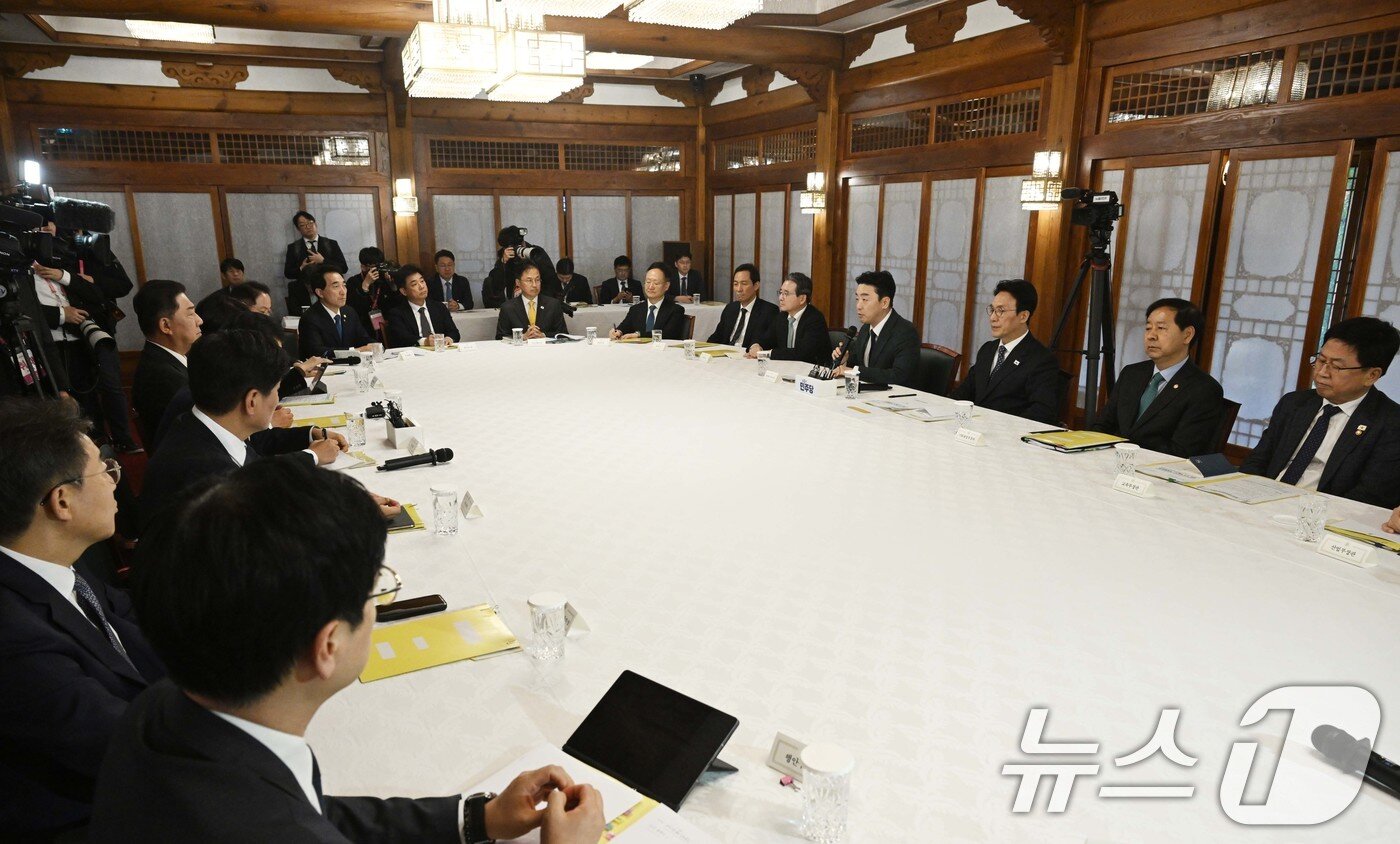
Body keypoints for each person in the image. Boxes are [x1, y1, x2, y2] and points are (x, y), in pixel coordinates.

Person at [91, 459, 605, 843]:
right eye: (372, 590)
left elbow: (312, 810)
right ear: (329, 645)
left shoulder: (165, 706)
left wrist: (476, 819)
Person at [0, 398, 165, 839]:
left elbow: (136, 622)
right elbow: (129, 747)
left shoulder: (55, 561)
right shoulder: (15, 640)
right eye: (104, 470)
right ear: (62, 501)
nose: (114, 481)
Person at [140, 330, 345, 533]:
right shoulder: (209, 478)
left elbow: (258, 471)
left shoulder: (201, 424)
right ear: (252, 401)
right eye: (276, 390)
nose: (277, 400)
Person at [1241, 316, 1400, 508]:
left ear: (1371, 375)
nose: (1322, 372)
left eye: (1337, 366)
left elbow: (1369, 497)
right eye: (1321, 360)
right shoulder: (1294, 403)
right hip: (1262, 502)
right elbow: (1257, 461)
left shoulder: (1391, 423)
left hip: (1323, 515)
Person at [1091, 298, 1224, 457]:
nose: (1151, 336)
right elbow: (1102, 426)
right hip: (1111, 461)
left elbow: (1182, 452)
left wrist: (1127, 449)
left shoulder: (1204, 390)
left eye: (1161, 328)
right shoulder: (1131, 373)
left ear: (1187, 335)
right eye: (1148, 328)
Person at [951, 279, 1060, 425]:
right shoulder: (987, 350)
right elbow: (962, 394)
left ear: (1023, 316)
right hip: (973, 429)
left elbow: (1042, 413)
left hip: (1008, 433)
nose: (993, 318)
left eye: (1001, 311)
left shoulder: (1041, 359)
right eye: (992, 310)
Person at [132, 280, 203, 451]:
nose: (199, 320)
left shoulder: (163, 361)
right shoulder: (162, 377)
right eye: (190, 314)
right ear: (166, 325)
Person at [832, 270, 920, 389]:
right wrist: (845, 361)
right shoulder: (866, 328)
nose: (858, 306)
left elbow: (899, 376)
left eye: (865, 299)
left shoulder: (905, 332)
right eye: (857, 299)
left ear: (884, 303)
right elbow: (859, 365)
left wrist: (854, 371)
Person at [748, 272, 832, 365]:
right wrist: (756, 345)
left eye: (786, 294)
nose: (780, 298)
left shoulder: (815, 319)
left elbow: (802, 354)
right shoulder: (782, 316)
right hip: (786, 367)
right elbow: (766, 338)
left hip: (813, 370)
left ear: (802, 299)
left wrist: (766, 354)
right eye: (780, 292)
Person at [298, 266, 375, 359]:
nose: (343, 292)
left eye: (344, 285)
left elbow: (363, 338)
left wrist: (375, 346)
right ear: (320, 292)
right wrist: (355, 351)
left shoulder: (349, 312)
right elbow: (317, 352)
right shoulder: (310, 318)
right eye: (336, 286)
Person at [283, 211, 348, 311]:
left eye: (310, 223)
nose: (308, 227)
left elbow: (343, 268)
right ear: (298, 229)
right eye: (302, 225)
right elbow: (288, 273)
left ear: (315, 224)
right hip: (305, 293)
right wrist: (301, 268)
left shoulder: (331, 244)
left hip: (329, 289)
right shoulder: (293, 247)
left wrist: (323, 261)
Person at [387, 265, 462, 348]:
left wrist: (449, 338)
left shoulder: (439, 307)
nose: (421, 286)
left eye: (422, 281)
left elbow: (454, 332)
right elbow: (402, 339)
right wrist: (424, 341)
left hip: (440, 351)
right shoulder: (397, 313)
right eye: (414, 284)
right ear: (404, 291)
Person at [707, 263, 776, 348]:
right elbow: (716, 337)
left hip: (747, 354)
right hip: (725, 353)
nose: (739, 289)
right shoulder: (730, 308)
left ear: (756, 286)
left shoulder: (769, 311)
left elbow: (766, 343)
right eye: (736, 284)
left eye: (744, 284)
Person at [496, 260, 568, 341]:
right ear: (518, 283)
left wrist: (544, 335)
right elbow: (500, 338)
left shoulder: (553, 305)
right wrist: (521, 337)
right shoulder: (508, 308)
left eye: (537, 280)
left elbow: (563, 334)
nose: (534, 285)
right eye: (529, 280)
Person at [611, 263, 686, 341]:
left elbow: (668, 334)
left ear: (666, 286)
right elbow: (623, 327)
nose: (650, 287)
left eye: (656, 283)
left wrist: (639, 335)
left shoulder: (675, 310)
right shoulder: (636, 309)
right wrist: (617, 332)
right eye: (648, 282)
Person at [345, 246, 400, 333]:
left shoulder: (384, 280)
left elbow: (395, 305)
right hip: (364, 328)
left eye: (380, 266)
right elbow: (353, 310)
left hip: (386, 325)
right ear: (363, 267)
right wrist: (365, 286)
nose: (378, 270)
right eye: (374, 267)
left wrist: (393, 287)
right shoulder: (353, 282)